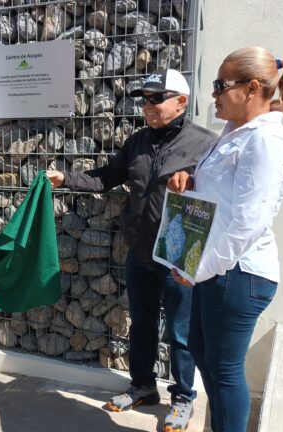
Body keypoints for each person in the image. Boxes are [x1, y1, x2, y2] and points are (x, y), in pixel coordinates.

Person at [47, 69, 217, 431]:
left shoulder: (205, 144)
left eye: (156, 98)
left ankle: (184, 397)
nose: (147, 105)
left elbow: (219, 197)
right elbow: (109, 176)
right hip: (140, 252)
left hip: (178, 256)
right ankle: (143, 386)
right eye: (145, 99)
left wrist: (195, 181)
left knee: (182, 331)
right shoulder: (138, 141)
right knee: (142, 323)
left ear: (181, 102)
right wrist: (67, 179)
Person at [167, 47, 283, 432]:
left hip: (238, 273)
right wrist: (189, 181)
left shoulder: (266, 142)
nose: (213, 95)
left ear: (252, 88)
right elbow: (225, 196)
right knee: (202, 352)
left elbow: (248, 223)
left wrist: (199, 269)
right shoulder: (235, 133)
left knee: (224, 372)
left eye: (219, 86)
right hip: (219, 268)